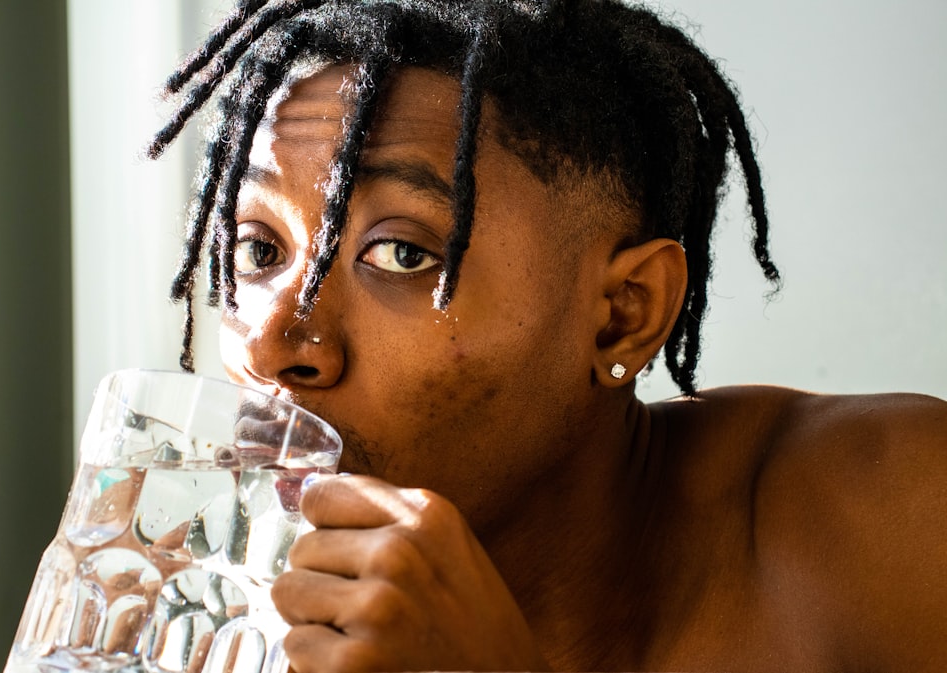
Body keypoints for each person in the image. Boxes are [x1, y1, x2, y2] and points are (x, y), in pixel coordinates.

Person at [148, 1, 947, 671]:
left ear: (622, 313)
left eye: (402, 253)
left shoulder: (893, 513)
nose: (271, 345)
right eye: (258, 249)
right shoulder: (224, 622)